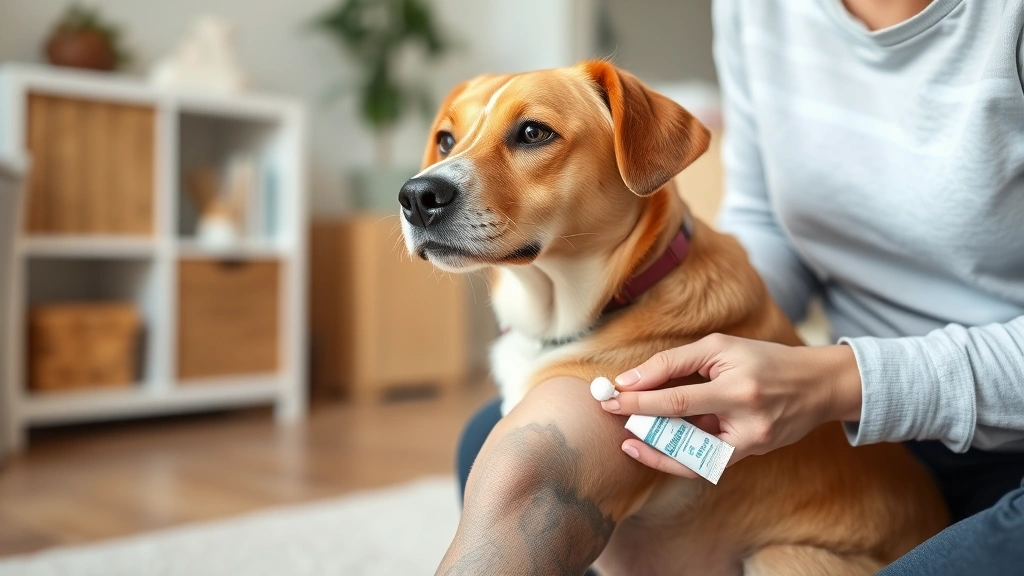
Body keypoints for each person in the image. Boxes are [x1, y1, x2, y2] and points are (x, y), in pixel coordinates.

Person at [456, 0, 1024, 573]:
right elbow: (768, 218)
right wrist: (683, 328)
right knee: (502, 463)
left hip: (987, 436)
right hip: (869, 433)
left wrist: (833, 382)